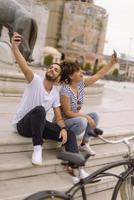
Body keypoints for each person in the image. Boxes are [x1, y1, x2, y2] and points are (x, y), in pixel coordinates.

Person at [11, 32, 79, 168]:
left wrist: (64, 128)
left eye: (56, 70)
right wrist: (14, 47)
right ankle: (37, 148)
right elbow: (23, 66)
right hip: (23, 125)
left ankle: (77, 168)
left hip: (39, 126)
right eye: (51, 68)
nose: (52, 70)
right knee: (40, 110)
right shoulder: (35, 81)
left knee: (70, 134)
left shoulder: (55, 94)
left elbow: (59, 118)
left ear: (59, 78)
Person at [59, 52, 118, 155]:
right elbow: (68, 113)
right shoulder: (65, 90)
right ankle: (66, 143)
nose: (81, 72)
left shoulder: (81, 85)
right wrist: (87, 117)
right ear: (70, 76)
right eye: (77, 71)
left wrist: (111, 63)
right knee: (82, 122)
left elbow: (98, 75)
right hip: (63, 122)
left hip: (74, 119)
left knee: (95, 115)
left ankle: (84, 144)